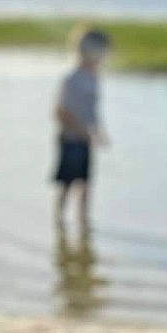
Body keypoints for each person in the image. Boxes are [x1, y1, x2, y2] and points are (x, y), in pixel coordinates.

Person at [51, 28, 112, 235]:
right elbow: (60, 112)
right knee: (67, 185)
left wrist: (99, 131)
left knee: (86, 184)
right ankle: (59, 223)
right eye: (102, 51)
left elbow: (92, 110)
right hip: (70, 140)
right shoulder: (71, 79)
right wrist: (81, 131)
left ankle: (84, 225)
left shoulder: (94, 78)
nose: (105, 56)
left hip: (85, 140)